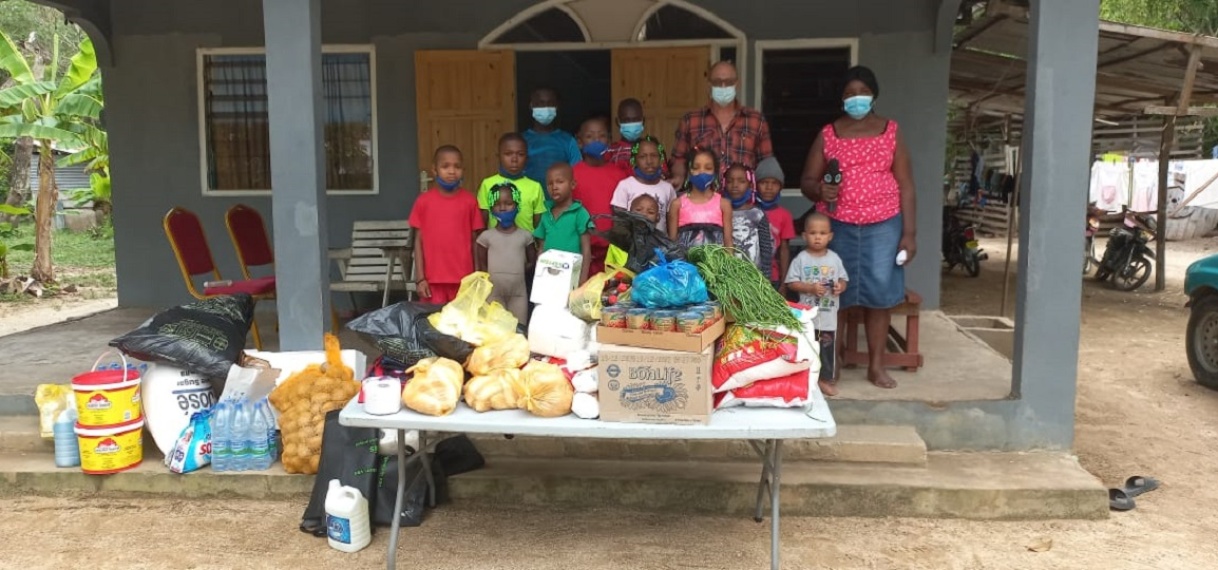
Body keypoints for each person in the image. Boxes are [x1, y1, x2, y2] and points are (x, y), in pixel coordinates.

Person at [799, 65, 917, 390]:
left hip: (884, 225)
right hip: (837, 225)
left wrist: (909, 233)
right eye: (850, 93)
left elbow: (906, 184)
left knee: (880, 296)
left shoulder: (891, 130)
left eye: (863, 92)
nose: (856, 98)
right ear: (841, 98)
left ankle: (876, 366)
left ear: (874, 95)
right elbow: (807, 180)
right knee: (833, 295)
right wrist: (819, 190)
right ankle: (832, 364)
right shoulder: (829, 133)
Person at [671, 60, 774, 187]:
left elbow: (766, 164)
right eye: (718, 82)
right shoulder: (690, 120)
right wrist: (679, 177)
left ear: (737, 84)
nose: (723, 86)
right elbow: (679, 159)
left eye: (729, 82)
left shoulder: (756, 120)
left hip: (743, 197)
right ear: (709, 85)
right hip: (702, 195)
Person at [409, 145, 485, 304]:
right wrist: (420, 278)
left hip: (464, 281)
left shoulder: (470, 201)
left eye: (457, 166)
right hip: (432, 281)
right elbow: (418, 241)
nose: (452, 171)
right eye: (445, 166)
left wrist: (476, 275)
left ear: (463, 170)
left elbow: (475, 241)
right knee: (433, 319)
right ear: (434, 170)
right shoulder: (423, 201)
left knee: (460, 319)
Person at [785, 213, 848, 397]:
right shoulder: (801, 259)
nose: (818, 237)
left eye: (822, 233)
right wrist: (810, 288)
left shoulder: (834, 259)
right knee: (806, 349)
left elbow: (843, 280)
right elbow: (791, 283)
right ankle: (805, 379)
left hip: (828, 318)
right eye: (813, 233)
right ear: (804, 236)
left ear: (830, 236)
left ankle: (825, 380)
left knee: (827, 351)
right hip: (807, 319)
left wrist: (840, 287)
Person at [476, 182, 536, 325]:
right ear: (491, 208)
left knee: (519, 329)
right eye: (497, 204)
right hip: (493, 294)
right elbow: (482, 264)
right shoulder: (486, 237)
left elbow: (532, 261)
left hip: (518, 295)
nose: (503, 208)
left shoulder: (525, 236)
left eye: (508, 203)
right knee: (495, 331)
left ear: (517, 205)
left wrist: (517, 271)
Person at [573, 117, 627, 275]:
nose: (596, 140)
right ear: (580, 142)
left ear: (609, 141)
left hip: (612, 251)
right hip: (582, 250)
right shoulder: (571, 175)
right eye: (590, 136)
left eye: (601, 135)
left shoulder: (620, 175)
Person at [478, 133, 547, 234]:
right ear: (498, 157)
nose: (514, 159)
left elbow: (539, 226)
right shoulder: (487, 184)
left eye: (520, 154)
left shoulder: (535, 187)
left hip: (526, 243)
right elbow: (482, 223)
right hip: (495, 243)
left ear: (527, 158)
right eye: (508, 154)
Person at [536, 163, 592, 283]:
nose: (554, 187)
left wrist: (583, 279)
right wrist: (539, 276)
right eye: (550, 184)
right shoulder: (545, 214)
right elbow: (541, 248)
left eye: (560, 182)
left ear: (572, 184)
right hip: (548, 276)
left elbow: (586, 249)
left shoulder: (579, 213)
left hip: (572, 275)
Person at [611, 136, 677, 234]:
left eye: (654, 155)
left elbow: (671, 220)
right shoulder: (625, 186)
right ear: (634, 160)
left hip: (659, 243)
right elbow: (619, 223)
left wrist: (671, 242)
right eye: (642, 157)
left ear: (661, 158)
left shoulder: (668, 188)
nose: (649, 161)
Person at [669, 147, 732, 249]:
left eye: (708, 168)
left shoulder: (723, 204)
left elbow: (728, 243)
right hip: (685, 259)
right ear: (689, 171)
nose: (702, 171)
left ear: (715, 172)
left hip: (714, 259)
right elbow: (672, 243)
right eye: (696, 167)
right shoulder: (677, 204)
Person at [523, 87, 581, 198]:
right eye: (540, 103)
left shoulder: (568, 140)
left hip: (560, 203)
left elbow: (577, 173)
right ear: (531, 106)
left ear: (556, 107)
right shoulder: (521, 141)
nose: (545, 107)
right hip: (528, 202)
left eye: (550, 104)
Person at [755, 157, 796, 294]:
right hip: (750, 275)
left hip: (773, 277)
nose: (769, 187)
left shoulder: (785, 215)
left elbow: (784, 250)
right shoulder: (749, 211)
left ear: (781, 187)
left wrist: (784, 283)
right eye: (764, 182)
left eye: (774, 183)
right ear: (755, 185)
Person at [724, 162, 772, 275]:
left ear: (750, 185)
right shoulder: (720, 213)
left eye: (741, 181)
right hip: (728, 277)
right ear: (724, 184)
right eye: (730, 181)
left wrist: (766, 279)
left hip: (754, 278)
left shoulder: (758, 214)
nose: (735, 185)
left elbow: (766, 250)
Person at [605, 98, 668, 179]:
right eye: (626, 120)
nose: (631, 123)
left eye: (636, 120)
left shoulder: (655, 148)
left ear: (643, 121)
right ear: (618, 122)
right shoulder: (610, 151)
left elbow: (663, 173)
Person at [605, 193, 660, 269]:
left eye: (650, 212)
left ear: (658, 217)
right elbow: (612, 267)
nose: (644, 214)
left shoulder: (660, 242)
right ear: (629, 214)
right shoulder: (620, 240)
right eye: (638, 210)